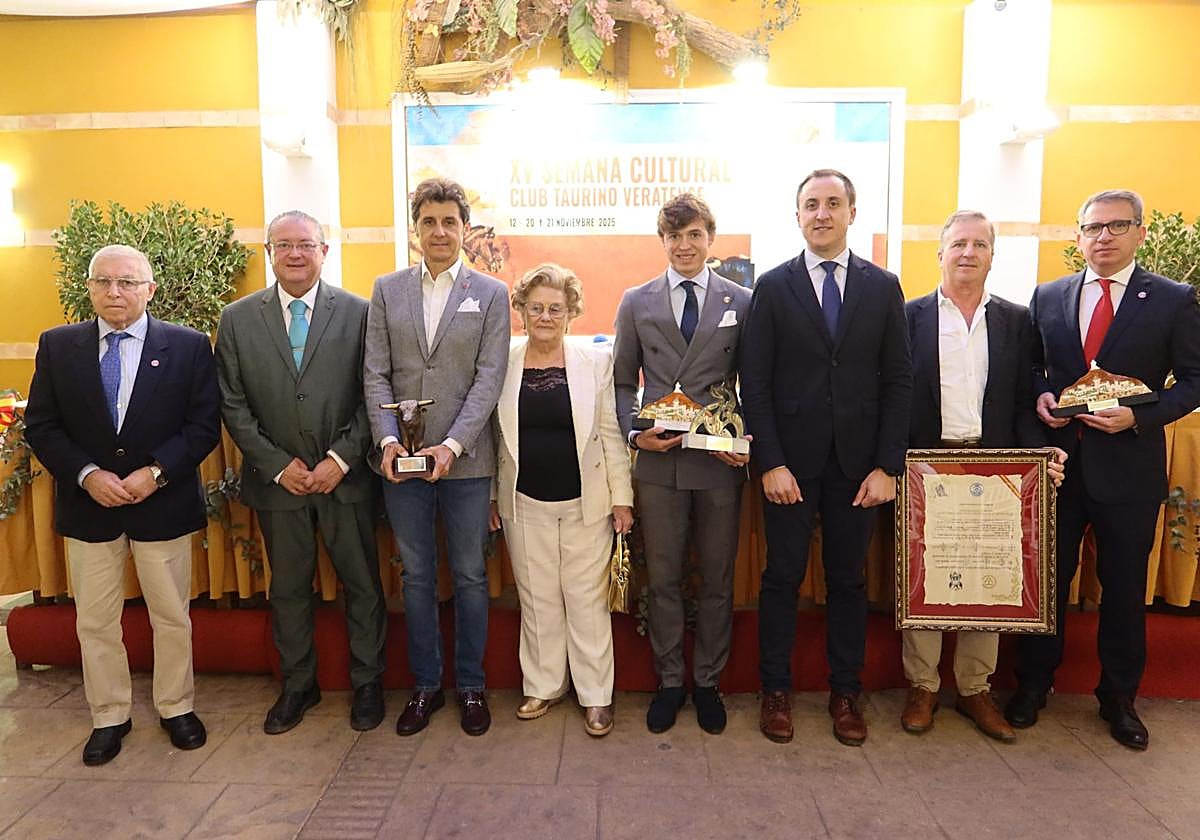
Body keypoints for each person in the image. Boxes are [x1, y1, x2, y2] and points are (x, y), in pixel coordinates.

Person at [1008, 189, 1200, 750]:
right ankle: (1033, 685)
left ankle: (1118, 698)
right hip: (1059, 467)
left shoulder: (1172, 299)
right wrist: (1042, 396)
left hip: (1129, 470)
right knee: (1047, 583)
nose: (1104, 237)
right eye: (1093, 228)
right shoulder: (1049, 295)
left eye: (1117, 226)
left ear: (1140, 232)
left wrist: (1140, 416)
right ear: (1078, 236)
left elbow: (1193, 380)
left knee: (1123, 589)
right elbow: (1032, 368)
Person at [24, 244, 220, 766]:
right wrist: (87, 475)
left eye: (128, 282)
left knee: (171, 616)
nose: (115, 291)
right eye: (104, 281)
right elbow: (42, 425)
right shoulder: (58, 345)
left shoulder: (188, 346)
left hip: (162, 502)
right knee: (94, 620)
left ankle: (177, 707)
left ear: (149, 289)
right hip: (90, 507)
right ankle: (109, 715)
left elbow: (203, 425)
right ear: (89, 288)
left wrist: (155, 473)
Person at [739, 169, 912, 746]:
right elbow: (754, 382)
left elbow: (899, 380)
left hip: (859, 468)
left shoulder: (883, 286)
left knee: (847, 581)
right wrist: (770, 462)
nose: (821, 213)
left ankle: (845, 692)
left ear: (851, 213)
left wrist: (888, 466)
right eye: (811, 204)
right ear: (797, 216)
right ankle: (775, 691)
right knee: (782, 577)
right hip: (790, 465)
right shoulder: (773, 286)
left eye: (833, 203)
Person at [215, 211, 386, 735]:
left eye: (306, 244)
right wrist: (275, 465)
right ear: (269, 252)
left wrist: (340, 459)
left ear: (324, 251)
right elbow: (232, 403)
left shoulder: (360, 313)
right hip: (279, 485)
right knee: (288, 589)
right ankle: (298, 685)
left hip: (345, 480)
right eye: (283, 244)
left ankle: (368, 684)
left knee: (363, 585)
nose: (295, 253)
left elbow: (374, 394)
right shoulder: (237, 319)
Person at [901, 210, 1066, 742]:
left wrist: (1038, 456)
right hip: (927, 466)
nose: (968, 253)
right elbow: (892, 395)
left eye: (979, 244)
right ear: (940, 254)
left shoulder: (1017, 320)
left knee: (987, 576)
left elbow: (1024, 398)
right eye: (958, 244)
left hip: (997, 467)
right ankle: (923, 686)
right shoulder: (908, 316)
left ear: (993, 255)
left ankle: (975, 688)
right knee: (925, 576)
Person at [364, 177, 510, 736]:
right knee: (417, 576)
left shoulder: (491, 294)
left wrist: (451, 445)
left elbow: (489, 379)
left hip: (466, 463)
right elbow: (375, 372)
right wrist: (387, 440)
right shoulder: (387, 289)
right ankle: (425, 687)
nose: (440, 231)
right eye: (429, 221)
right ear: (416, 229)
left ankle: (471, 686)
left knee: (470, 575)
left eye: (450, 221)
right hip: (400, 463)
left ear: (465, 228)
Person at [612, 194, 751, 735]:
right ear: (662, 241)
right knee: (665, 578)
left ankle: (708, 683)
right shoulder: (636, 301)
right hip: (659, 462)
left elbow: (753, 381)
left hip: (717, 462)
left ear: (710, 238)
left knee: (717, 577)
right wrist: (634, 432)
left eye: (694, 234)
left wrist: (746, 438)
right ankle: (671, 683)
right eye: (674, 236)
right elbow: (622, 381)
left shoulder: (742, 300)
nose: (684, 245)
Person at [490, 263, 633, 736]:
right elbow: (493, 437)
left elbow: (610, 432)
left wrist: (622, 498)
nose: (546, 317)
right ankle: (543, 686)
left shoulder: (595, 362)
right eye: (536, 308)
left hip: (585, 503)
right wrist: (491, 497)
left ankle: (596, 696)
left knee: (586, 601)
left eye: (556, 308)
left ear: (571, 312)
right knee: (537, 599)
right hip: (523, 503)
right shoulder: (503, 362)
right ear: (521, 311)